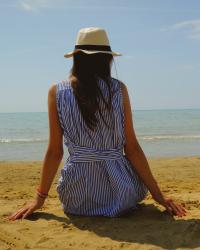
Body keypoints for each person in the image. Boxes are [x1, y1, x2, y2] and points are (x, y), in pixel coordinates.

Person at [8, 27, 186, 220]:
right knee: (129, 177)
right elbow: (132, 148)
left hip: (78, 197)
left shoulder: (56, 92)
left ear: (76, 58)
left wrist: (39, 199)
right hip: (122, 194)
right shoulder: (119, 89)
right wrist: (159, 196)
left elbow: (55, 152)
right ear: (107, 59)